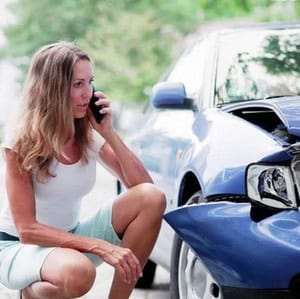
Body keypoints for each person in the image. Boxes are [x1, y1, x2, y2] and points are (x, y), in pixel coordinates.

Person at [0, 41, 166, 299]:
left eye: (90, 82)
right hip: (19, 247)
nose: (88, 93)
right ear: (53, 89)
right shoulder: (21, 142)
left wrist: (109, 133)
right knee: (80, 272)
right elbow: (27, 229)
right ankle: (31, 291)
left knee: (152, 198)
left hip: (70, 239)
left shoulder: (87, 135)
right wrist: (98, 246)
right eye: (78, 84)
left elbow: (144, 188)